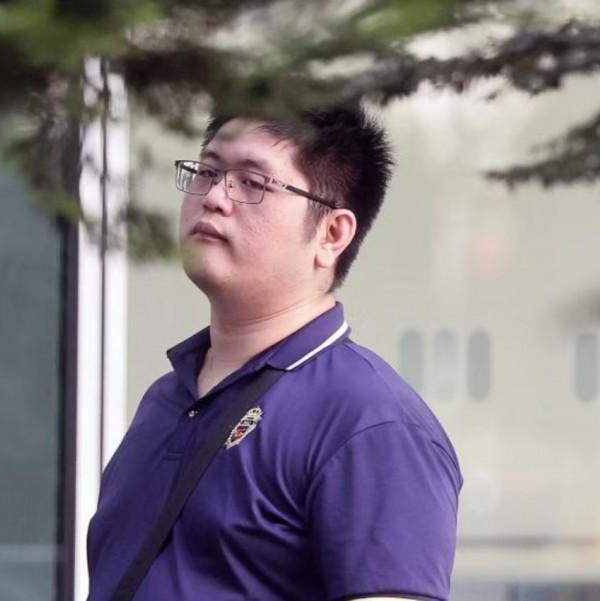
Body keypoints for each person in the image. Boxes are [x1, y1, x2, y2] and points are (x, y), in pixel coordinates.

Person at [87, 105, 462, 601]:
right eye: (208, 172)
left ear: (331, 234)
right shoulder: (168, 397)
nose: (215, 197)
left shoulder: (371, 423)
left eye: (252, 183)